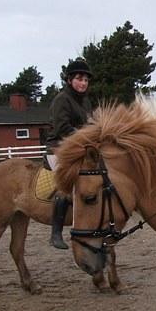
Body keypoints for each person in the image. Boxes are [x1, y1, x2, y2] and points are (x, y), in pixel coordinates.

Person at [45, 58, 93, 249]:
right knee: (66, 184)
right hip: (59, 147)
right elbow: (62, 127)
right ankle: (55, 233)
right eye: (79, 79)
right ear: (70, 80)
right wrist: (85, 137)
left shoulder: (86, 102)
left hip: (79, 147)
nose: (83, 83)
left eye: (86, 80)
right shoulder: (61, 100)